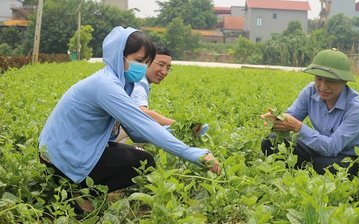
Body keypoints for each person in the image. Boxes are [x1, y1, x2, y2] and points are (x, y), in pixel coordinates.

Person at [38, 26, 221, 210]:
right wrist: (194, 154)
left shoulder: (121, 83)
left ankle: (79, 189)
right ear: (119, 56)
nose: (143, 67)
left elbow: (136, 133)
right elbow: (145, 126)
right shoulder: (107, 86)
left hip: (73, 148)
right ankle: (76, 195)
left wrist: (180, 130)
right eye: (139, 60)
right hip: (59, 156)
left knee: (140, 157)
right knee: (142, 162)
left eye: (147, 62)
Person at [261, 48, 359, 175]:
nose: (323, 86)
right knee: (271, 141)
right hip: (319, 148)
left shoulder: (357, 108)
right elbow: (291, 117)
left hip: (349, 156)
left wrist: (298, 127)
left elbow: (332, 147)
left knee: (324, 166)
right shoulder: (310, 91)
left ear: (344, 81)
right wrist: (277, 120)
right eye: (319, 79)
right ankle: (295, 175)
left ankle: (311, 170)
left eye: (330, 81)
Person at [114, 46, 208, 144]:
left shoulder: (141, 81)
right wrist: (180, 125)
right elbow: (142, 112)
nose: (164, 72)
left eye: (168, 68)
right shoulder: (139, 82)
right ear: (147, 62)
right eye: (161, 64)